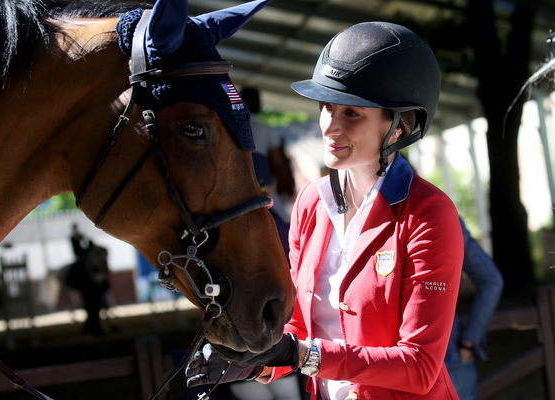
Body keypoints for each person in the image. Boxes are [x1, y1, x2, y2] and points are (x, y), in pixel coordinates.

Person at [186, 21, 464, 400]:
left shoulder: (429, 214)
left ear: (398, 127)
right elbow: (298, 326)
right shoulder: (310, 203)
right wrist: (255, 363)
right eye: (326, 108)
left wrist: (301, 354)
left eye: (352, 114)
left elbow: (418, 367)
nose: (330, 127)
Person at [446, 218, 503, 400]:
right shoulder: (445, 216)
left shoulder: (371, 217)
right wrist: (469, 342)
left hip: (392, 359)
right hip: (450, 353)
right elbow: (492, 281)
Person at [241, 87, 295, 256]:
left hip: (232, 195)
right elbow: (278, 164)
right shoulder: (266, 129)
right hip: (261, 193)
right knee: (285, 233)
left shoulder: (231, 126)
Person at [66, 224, 111, 336]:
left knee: (92, 305)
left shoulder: (79, 242)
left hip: (87, 282)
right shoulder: (81, 249)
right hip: (87, 282)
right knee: (92, 305)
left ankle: (92, 327)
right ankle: (93, 328)